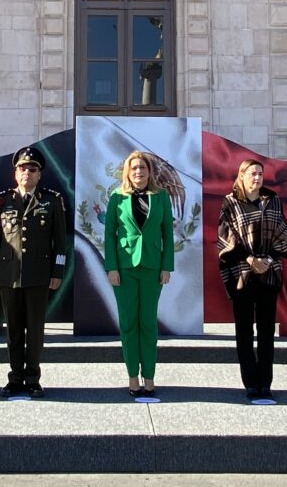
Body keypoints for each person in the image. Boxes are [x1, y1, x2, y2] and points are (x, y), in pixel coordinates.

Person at [0, 146, 67, 398]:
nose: (27, 173)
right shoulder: (1, 201)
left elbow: (60, 241)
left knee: (34, 330)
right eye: (22, 169)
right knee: (13, 330)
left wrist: (58, 271)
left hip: (39, 275)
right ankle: (14, 377)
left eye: (33, 170)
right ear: (15, 173)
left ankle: (32, 377)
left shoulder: (52, 200)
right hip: (8, 275)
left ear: (39, 175)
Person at [217, 158, 287, 402]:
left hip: (269, 273)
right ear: (242, 175)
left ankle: (265, 383)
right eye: (252, 173)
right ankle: (250, 382)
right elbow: (225, 237)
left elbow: (282, 232)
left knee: (267, 331)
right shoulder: (230, 202)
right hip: (242, 275)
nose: (256, 178)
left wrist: (267, 259)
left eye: (260, 173)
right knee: (244, 331)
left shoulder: (273, 201)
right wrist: (250, 260)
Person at [104, 150, 174, 398]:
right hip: (124, 269)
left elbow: (168, 233)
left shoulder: (162, 197)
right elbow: (110, 235)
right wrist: (111, 267)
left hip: (153, 268)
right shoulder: (117, 198)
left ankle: (150, 378)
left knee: (148, 323)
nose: (138, 172)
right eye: (133, 168)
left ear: (149, 171)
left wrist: (167, 266)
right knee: (128, 324)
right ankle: (133, 377)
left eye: (142, 168)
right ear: (127, 172)